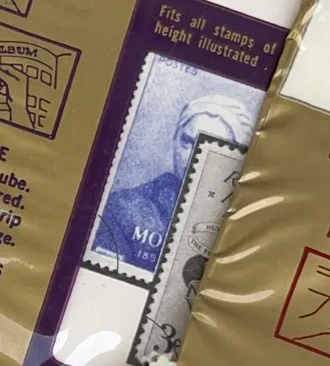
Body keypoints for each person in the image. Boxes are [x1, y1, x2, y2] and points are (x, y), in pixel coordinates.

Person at [93, 86, 256, 275]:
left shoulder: (244, 229)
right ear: (175, 140)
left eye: (212, 147)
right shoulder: (124, 209)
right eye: (187, 141)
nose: (194, 155)